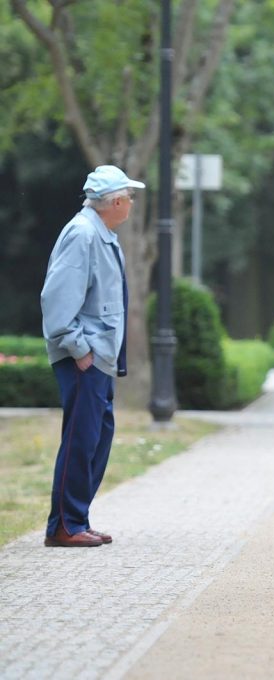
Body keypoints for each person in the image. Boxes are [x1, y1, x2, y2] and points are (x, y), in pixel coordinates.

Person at [40, 165, 142, 548]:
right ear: (114, 202)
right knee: (81, 440)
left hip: (99, 358)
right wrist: (79, 349)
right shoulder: (83, 234)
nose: (131, 203)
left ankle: (76, 518)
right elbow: (56, 298)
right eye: (129, 197)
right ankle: (64, 526)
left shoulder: (100, 234)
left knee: (95, 439)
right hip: (85, 357)